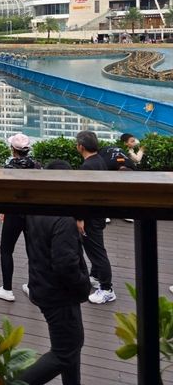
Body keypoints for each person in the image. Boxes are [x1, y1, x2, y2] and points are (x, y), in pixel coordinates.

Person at [19, 159, 91, 385]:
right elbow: (66, 265)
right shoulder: (62, 220)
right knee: (64, 351)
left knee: (71, 346)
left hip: (43, 285)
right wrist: (84, 285)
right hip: (59, 294)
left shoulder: (37, 209)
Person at [0, 133, 40, 302]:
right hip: (32, 214)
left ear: (13, 149)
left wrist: (2, 210)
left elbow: (3, 192)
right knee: (32, 250)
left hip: (14, 212)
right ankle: (33, 286)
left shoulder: (9, 168)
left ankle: (7, 289)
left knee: (6, 250)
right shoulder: (36, 165)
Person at [76, 130, 115, 304]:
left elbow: (84, 195)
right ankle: (96, 276)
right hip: (99, 213)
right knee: (96, 248)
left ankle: (107, 288)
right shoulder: (100, 161)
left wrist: (80, 218)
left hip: (91, 217)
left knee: (97, 252)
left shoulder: (87, 166)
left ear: (81, 147)